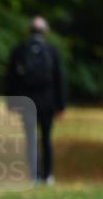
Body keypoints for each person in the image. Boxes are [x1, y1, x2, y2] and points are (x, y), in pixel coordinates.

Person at [5, 16, 66, 184]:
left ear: (29, 31)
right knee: (46, 138)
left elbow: (11, 79)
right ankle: (49, 175)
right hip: (47, 101)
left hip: (27, 102)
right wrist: (61, 105)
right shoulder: (52, 51)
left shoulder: (20, 50)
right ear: (45, 32)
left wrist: (11, 102)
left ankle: (35, 174)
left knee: (31, 138)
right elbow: (59, 79)